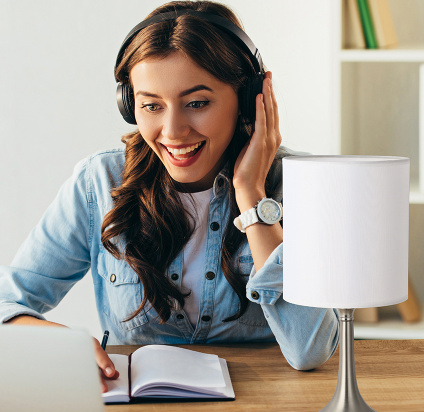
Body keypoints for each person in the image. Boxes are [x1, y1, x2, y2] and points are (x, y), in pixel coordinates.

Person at [0, 1, 339, 391]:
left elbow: (310, 350)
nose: (173, 131)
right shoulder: (99, 182)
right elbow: (8, 302)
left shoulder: (300, 181)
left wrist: (252, 196)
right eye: (151, 106)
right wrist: (56, 340)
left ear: (248, 99)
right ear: (129, 106)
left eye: (197, 103)